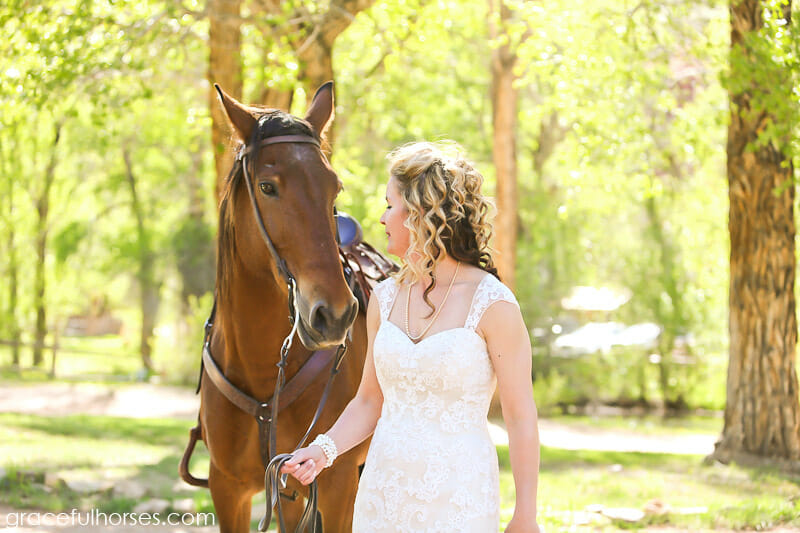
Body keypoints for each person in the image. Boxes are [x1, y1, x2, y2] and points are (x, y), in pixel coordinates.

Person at [282, 141, 541, 533]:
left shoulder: (493, 303)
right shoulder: (383, 299)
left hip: (459, 499)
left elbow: (520, 416)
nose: (382, 219)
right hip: (382, 495)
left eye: (390, 205)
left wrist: (526, 515)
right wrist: (323, 450)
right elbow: (369, 401)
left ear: (420, 214)